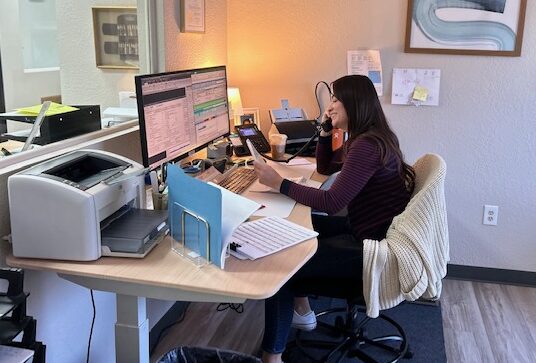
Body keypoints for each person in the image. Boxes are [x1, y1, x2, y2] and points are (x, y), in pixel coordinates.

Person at [253, 75, 416, 363]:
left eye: (335, 99)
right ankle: (301, 310)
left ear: (353, 103)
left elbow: (331, 202)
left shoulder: (367, 146)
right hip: (369, 230)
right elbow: (327, 167)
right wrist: (325, 130)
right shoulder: (371, 136)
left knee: (281, 266)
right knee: (296, 227)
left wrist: (280, 184)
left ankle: (272, 357)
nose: (330, 106)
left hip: (371, 250)